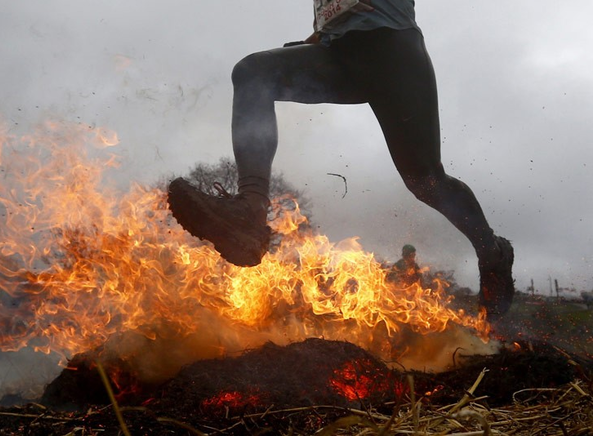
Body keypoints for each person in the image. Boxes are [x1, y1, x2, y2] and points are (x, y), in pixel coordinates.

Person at [167, 0, 514, 320]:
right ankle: (249, 212)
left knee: (426, 182)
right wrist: (316, 39)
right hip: (339, 56)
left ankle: (493, 253)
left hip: (394, 54)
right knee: (253, 72)